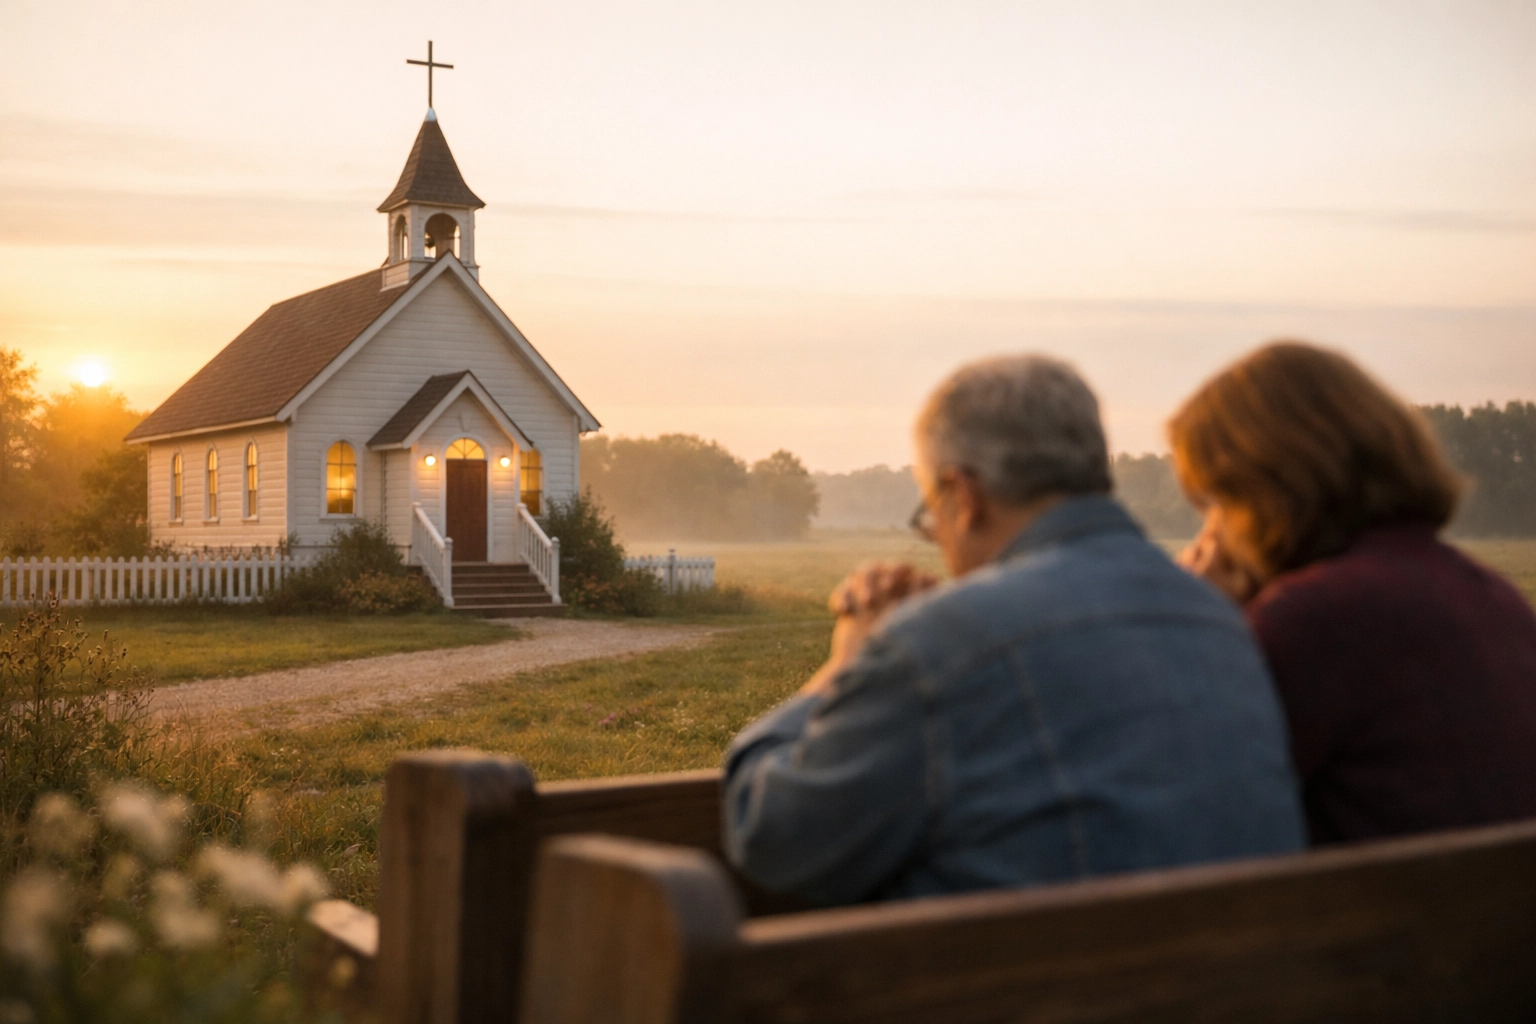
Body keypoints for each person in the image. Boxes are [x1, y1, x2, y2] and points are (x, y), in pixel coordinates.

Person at [722, 354, 1306, 908]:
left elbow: (771, 837)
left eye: (932, 511)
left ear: (965, 496)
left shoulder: (940, 645)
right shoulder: (1220, 620)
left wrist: (845, 663)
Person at [1170, 341, 1536, 845]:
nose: (1210, 531)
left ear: (1267, 489)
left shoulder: (1314, 619)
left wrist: (1196, 622)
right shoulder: (1494, 597)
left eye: (1216, 500)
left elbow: (1184, 811)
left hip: (1377, 921)